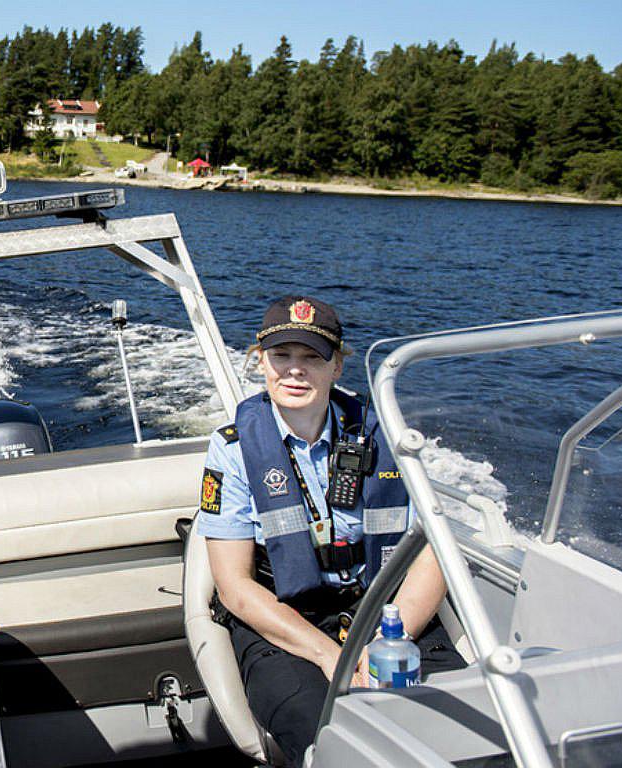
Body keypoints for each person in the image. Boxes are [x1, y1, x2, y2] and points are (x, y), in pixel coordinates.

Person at [197, 296, 466, 767]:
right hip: (284, 622)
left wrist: (386, 640)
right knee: (340, 747)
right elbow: (236, 588)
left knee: (464, 728)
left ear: (337, 366)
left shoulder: (388, 437)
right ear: (261, 362)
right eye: (282, 356)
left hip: (385, 612)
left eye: (311, 358)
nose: (294, 371)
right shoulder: (233, 451)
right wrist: (330, 656)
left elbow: (432, 552)